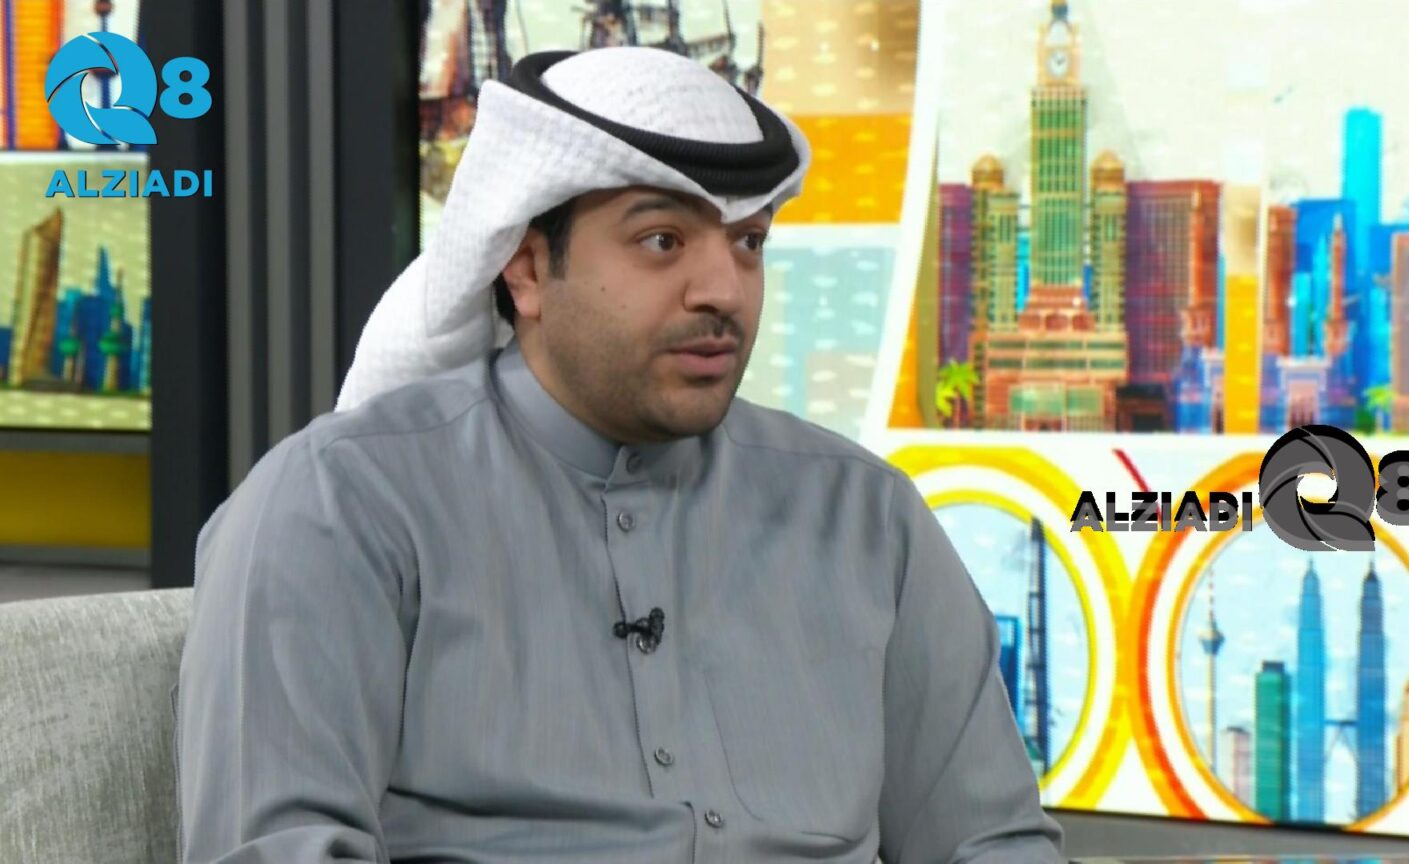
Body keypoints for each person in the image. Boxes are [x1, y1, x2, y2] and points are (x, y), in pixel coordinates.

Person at [175, 46, 1064, 864]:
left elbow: (991, 845)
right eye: (662, 242)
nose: (724, 291)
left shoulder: (869, 518)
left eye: (749, 243)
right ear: (526, 269)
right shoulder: (340, 507)